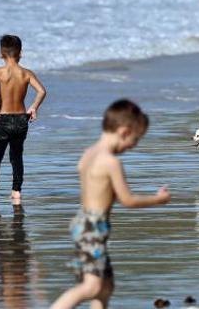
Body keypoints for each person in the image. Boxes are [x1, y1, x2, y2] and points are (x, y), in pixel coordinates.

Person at [51, 100, 171, 309]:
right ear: (125, 132)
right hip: (93, 227)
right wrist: (158, 199)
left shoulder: (88, 153)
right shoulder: (111, 162)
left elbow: (88, 178)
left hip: (83, 222)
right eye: (135, 140)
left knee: (106, 286)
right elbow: (128, 199)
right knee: (91, 286)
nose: (133, 146)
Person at [0, 35, 47, 203]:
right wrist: (33, 107)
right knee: (16, 156)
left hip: (4, 120)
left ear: (1, 53)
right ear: (20, 53)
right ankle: (16, 191)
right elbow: (42, 91)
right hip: (22, 120)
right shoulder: (26, 73)